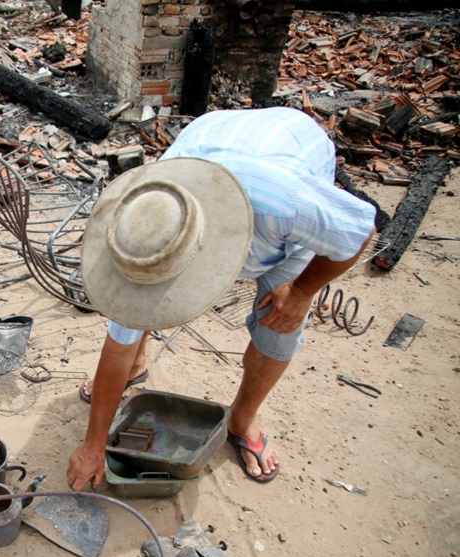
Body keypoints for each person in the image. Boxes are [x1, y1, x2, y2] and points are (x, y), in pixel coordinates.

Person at [67, 107, 376, 491]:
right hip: (212, 132)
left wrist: (301, 292)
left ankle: (242, 419)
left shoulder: (283, 203)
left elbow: (359, 232)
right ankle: (139, 363)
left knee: (278, 324)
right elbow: (117, 344)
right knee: (138, 303)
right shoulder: (147, 211)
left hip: (289, 152)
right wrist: (93, 445)